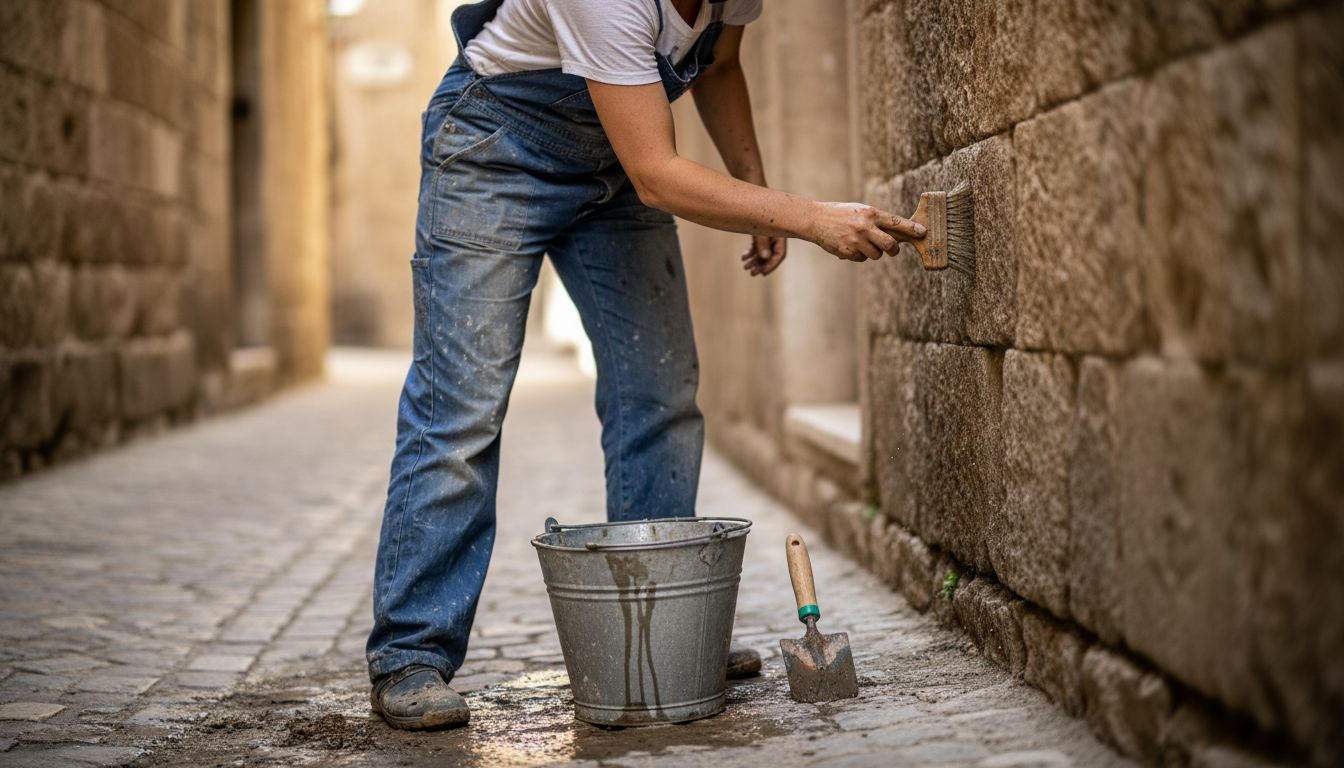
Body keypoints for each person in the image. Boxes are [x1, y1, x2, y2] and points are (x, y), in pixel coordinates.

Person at [366, 0, 926, 730]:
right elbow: (659, 174)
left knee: (660, 392)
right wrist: (808, 216)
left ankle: (667, 627)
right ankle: (411, 653)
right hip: (496, 149)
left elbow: (720, 65)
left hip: (615, 161)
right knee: (462, 408)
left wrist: (758, 196)